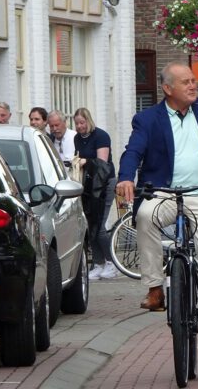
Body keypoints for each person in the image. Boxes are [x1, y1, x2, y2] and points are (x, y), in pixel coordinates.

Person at [116, 61, 198, 358]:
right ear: (167, 89)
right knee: (144, 215)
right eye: (185, 82)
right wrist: (126, 177)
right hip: (164, 193)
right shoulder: (147, 119)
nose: (193, 85)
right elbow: (133, 151)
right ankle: (155, 287)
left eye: (193, 81)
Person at [73, 107, 119, 280]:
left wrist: (86, 161)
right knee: (90, 225)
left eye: (82, 123)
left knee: (99, 226)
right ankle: (98, 264)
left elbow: (102, 163)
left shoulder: (101, 136)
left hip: (105, 183)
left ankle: (111, 262)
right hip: (89, 185)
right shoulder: (78, 138)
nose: (79, 126)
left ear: (88, 121)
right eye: (77, 123)